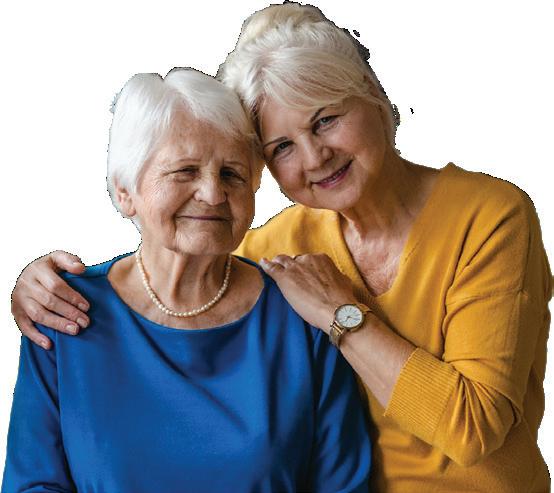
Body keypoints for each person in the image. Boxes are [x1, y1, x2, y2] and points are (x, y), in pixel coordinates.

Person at [10, 2, 552, 492]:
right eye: (283, 146)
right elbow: (183, 247)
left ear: (372, 93)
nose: (314, 158)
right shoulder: (279, 246)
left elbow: (473, 427)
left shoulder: (488, 216)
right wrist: (36, 284)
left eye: (326, 120)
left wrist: (342, 316)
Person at [2, 67, 371, 493]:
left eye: (232, 174)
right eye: (185, 171)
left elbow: (343, 485)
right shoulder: (62, 310)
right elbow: (32, 484)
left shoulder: (301, 313)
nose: (213, 194)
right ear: (125, 192)